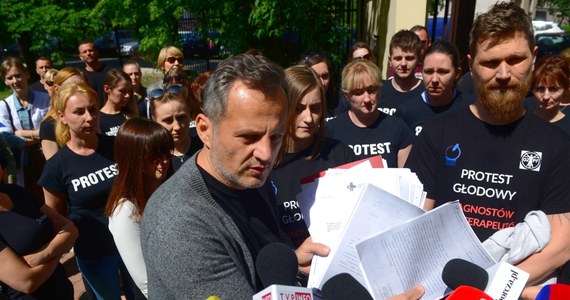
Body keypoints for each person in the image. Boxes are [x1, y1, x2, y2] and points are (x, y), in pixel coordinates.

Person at [404, 3, 570, 297]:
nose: (504, 73)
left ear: (533, 58)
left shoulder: (556, 144)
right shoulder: (437, 133)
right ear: (470, 65)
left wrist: (493, 284)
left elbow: (561, 244)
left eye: (515, 59)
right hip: (440, 288)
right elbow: (411, 223)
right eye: (490, 62)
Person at [140, 53, 331, 299]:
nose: (265, 154)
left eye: (275, 137)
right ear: (204, 130)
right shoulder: (177, 223)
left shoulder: (249, 177)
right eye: (248, 137)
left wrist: (292, 263)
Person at [38, 83, 138, 300]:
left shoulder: (119, 145)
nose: (89, 117)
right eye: (79, 112)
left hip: (133, 240)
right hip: (94, 250)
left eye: (93, 109)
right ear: (61, 116)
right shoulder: (56, 167)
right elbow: (56, 218)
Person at [270, 65, 357, 248]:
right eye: (299, 108)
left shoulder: (341, 156)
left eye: (315, 108)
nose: (308, 118)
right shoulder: (264, 162)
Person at [106, 118, 173, 298]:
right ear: (132, 159)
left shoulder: (167, 186)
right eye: (154, 156)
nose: (164, 160)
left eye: (167, 151)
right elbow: (146, 282)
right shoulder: (124, 212)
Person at [0, 161, 78, 300]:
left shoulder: (14, 191)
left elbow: (71, 229)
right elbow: (27, 282)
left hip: (62, 289)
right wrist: (59, 248)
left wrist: (43, 255)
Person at [326, 59, 414, 168]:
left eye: (372, 90)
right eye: (358, 93)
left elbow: (406, 177)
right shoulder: (331, 130)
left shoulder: (397, 128)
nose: (367, 99)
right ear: (346, 96)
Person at [395, 40, 474, 136]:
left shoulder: (472, 108)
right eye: (429, 71)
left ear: (457, 73)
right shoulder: (405, 112)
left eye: (442, 72)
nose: (435, 80)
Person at [0, 57, 50, 196]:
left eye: (18, 75)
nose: (15, 81)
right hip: (21, 166)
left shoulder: (46, 99)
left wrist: (21, 133)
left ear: (27, 75)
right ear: (5, 81)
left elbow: (55, 130)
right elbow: (8, 140)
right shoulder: (3, 106)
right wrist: (42, 136)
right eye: (10, 77)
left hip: (47, 160)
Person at [150, 86, 202, 173]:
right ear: (154, 120)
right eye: (168, 120)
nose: (177, 127)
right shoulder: (152, 157)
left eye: (181, 117)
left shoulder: (206, 147)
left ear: (189, 114)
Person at [39, 67, 87, 160]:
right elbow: (55, 168)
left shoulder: (92, 115)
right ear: (57, 89)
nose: (79, 91)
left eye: (83, 86)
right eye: (72, 87)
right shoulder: (48, 125)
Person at [380, 30, 425, 116]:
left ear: (419, 59)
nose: (403, 64)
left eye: (409, 58)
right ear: (390, 60)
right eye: (398, 58)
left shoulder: (426, 94)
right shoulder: (378, 91)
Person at [531, 55, 570, 136]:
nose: (546, 97)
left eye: (553, 89)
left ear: (565, 90)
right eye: (540, 89)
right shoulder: (519, 121)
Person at [300, 52, 344, 117]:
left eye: (325, 76)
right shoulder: (292, 105)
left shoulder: (342, 102)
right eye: (315, 77)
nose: (322, 83)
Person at [99, 69, 137, 137]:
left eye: (129, 91)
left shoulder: (131, 116)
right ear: (107, 89)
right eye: (122, 91)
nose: (127, 95)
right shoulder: (98, 119)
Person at [78, 41, 113, 106]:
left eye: (90, 50)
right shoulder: (80, 76)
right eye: (84, 52)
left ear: (97, 52)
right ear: (81, 57)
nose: (88, 53)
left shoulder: (111, 72)